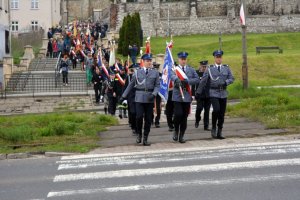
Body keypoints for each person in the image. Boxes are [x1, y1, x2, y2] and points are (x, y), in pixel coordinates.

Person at [121, 54, 160, 146]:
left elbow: (157, 85)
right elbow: (131, 85)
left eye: (150, 60)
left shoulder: (155, 73)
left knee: (148, 119)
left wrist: (154, 94)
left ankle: (145, 137)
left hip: (149, 98)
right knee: (138, 117)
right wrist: (123, 96)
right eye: (147, 61)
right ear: (143, 61)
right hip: (139, 98)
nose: (149, 62)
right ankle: (139, 134)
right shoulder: (137, 72)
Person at [196, 50, 234, 139]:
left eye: (220, 57)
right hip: (213, 92)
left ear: (222, 58)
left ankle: (219, 130)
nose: (219, 59)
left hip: (223, 93)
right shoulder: (210, 68)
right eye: (217, 57)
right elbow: (203, 81)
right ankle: (213, 127)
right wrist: (198, 92)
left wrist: (226, 82)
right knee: (216, 110)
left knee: (221, 113)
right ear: (214, 58)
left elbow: (231, 78)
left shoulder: (226, 68)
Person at [171, 52, 200, 143]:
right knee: (178, 114)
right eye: (181, 59)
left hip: (187, 95)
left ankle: (181, 135)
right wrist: (177, 80)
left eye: (184, 59)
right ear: (178, 60)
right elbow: (171, 76)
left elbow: (197, 79)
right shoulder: (175, 69)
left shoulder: (191, 70)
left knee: (184, 116)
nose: (183, 61)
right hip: (177, 95)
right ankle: (176, 130)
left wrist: (187, 82)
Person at [194, 60, 211, 130]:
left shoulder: (210, 73)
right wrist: (193, 94)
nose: (204, 68)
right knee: (199, 108)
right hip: (200, 94)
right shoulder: (197, 73)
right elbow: (193, 84)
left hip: (208, 94)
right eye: (202, 66)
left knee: (207, 110)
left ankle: (206, 126)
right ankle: (197, 119)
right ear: (200, 66)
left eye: (205, 66)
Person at [124, 63, 140, 135]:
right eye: (135, 68)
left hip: (138, 97)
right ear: (133, 69)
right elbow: (125, 87)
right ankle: (133, 127)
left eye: (138, 68)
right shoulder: (129, 77)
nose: (136, 70)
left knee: (138, 114)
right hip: (131, 97)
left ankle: (137, 128)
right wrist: (124, 98)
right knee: (132, 113)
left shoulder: (141, 77)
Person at [152, 62, 162, 128]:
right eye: (155, 68)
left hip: (158, 93)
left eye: (157, 68)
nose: (156, 69)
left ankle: (157, 121)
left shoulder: (161, 75)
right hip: (151, 93)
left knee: (158, 108)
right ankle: (151, 119)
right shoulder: (150, 74)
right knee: (150, 107)